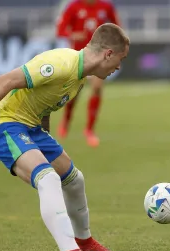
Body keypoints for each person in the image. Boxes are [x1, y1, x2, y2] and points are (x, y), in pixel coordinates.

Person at [0, 23, 129, 251]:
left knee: (74, 179)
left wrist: (43, 139)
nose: (119, 66)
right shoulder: (61, 63)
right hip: (3, 125)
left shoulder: (78, 78)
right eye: (120, 59)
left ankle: (85, 243)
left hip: (30, 128)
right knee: (48, 178)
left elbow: (43, 105)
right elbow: (5, 80)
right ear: (108, 53)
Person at [56, 0, 121, 147]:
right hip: (79, 56)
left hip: (99, 56)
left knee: (97, 88)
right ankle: (66, 122)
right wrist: (73, 34)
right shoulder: (73, 6)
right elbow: (60, 30)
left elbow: (117, 27)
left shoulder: (106, 6)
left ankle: (89, 130)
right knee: (74, 93)